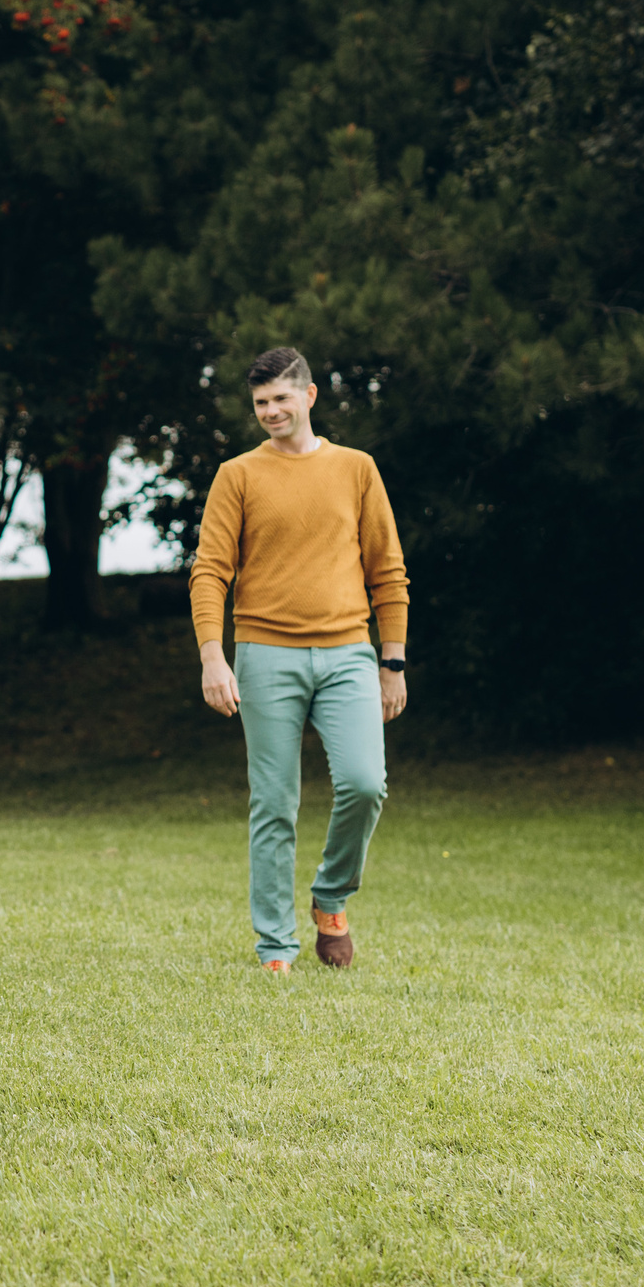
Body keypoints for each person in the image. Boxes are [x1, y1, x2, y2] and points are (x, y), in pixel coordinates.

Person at [191, 346, 410, 973]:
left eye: (281, 398)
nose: (270, 411)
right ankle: (274, 946)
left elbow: (388, 570)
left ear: (309, 396)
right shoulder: (237, 475)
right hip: (265, 656)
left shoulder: (357, 469)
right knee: (274, 803)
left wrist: (392, 663)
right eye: (261, 402)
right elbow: (209, 572)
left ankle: (331, 897)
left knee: (365, 784)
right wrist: (213, 657)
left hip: (348, 654)